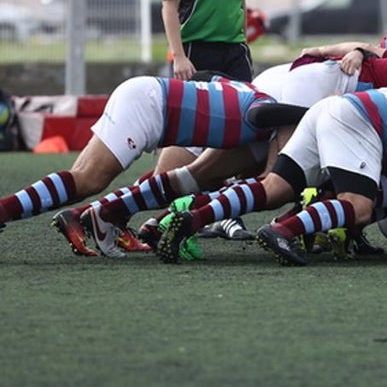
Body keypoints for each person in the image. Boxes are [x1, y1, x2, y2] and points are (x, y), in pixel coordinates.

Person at [156, 86, 387, 265]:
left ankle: (191, 219)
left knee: (273, 187)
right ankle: (284, 231)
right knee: (359, 207)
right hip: (354, 120)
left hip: (329, 109)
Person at [0, 75, 277, 257]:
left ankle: (103, 217)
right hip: (150, 106)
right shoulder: (267, 114)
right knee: (87, 180)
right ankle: (4, 211)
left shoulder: (251, 91)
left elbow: (211, 78)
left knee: (162, 180)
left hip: (148, 92)